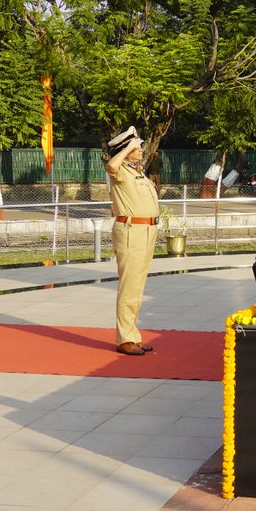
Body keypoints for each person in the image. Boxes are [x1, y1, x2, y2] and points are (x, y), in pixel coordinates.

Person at [105, 126, 158, 356]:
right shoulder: (119, 170)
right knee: (129, 286)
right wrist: (128, 147)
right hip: (131, 230)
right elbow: (111, 165)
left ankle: (132, 335)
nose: (141, 150)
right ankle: (124, 338)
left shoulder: (137, 171)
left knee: (138, 286)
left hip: (146, 230)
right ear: (126, 149)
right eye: (138, 147)